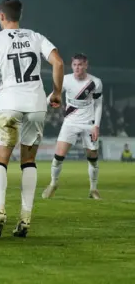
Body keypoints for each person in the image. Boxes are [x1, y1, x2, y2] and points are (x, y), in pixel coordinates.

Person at [0, 0, 64, 239]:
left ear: (1, 16)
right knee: (28, 162)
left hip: (9, 104)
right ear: (19, 16)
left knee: (0, 161)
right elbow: (58, 62)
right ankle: (25, 217)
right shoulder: (36, 37)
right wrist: (56, 93)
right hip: (35, 104)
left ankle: (1, 210)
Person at [42, 53, 103, 200]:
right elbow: (54, 95)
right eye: (75, 65)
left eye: (80, 65)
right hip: (70, 123)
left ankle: (93, 189)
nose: (77, 67)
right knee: (58, 157)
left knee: (93, 159)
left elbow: (98, 105)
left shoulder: (95, 82)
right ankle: (53, 184)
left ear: (86, 65)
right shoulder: (65, 80)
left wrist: (96, 125)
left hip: (88, 124)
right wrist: (43, 105)